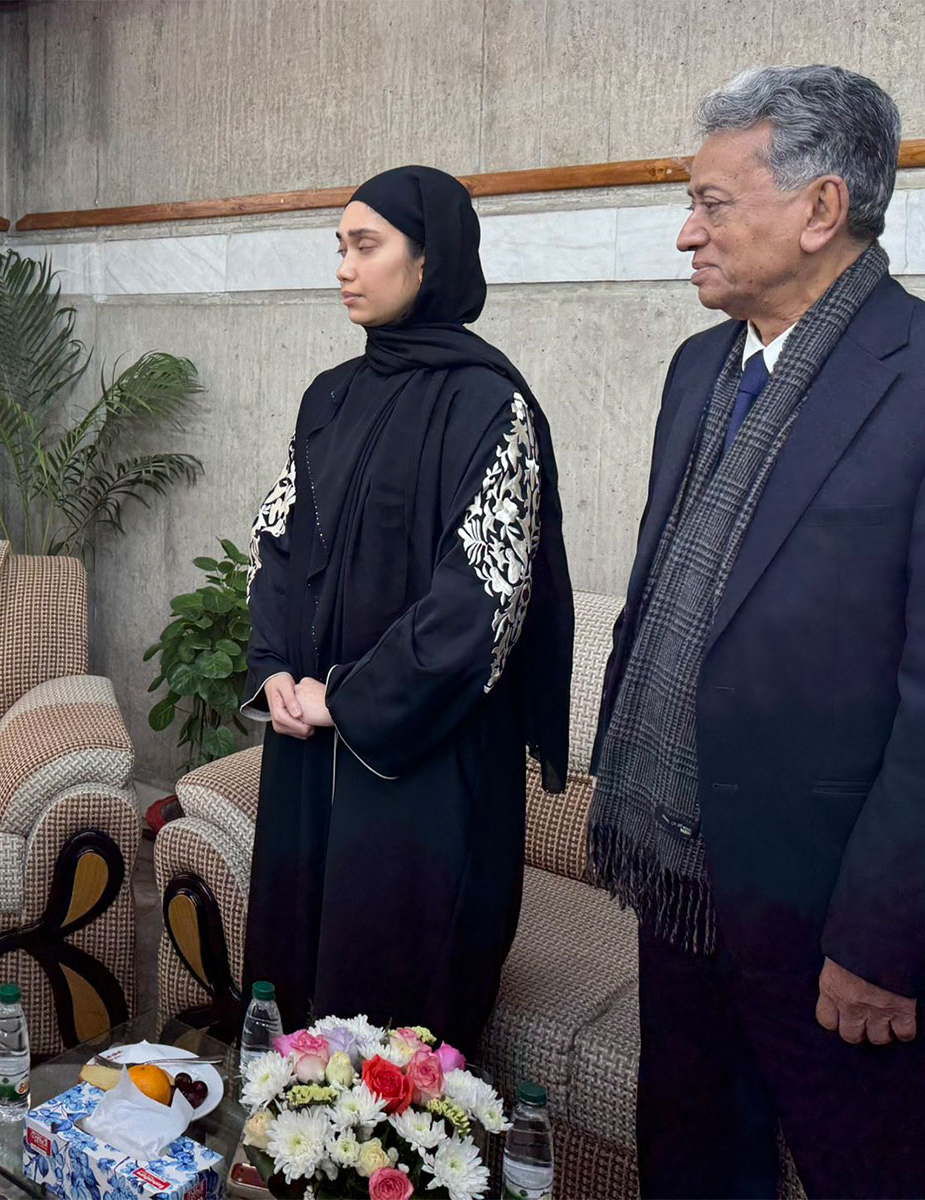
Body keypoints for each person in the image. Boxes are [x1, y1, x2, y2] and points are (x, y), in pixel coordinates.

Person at [589, 65, 923, 1198]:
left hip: (828, 921)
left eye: (713, 203)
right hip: (677, 877)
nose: (686, 233)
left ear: (821, 209)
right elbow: (661, 604)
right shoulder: (699, 369)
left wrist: (884, 938)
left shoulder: (915, 378)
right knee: (687, 1160)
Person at [239, 165, 574, 1054]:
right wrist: (275, 668)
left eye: (366, 245)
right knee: (296, 961)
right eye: (340, 248)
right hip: (308, 743)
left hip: (425, 758)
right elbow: (279, 542)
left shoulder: (490, 405)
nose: (344, 268)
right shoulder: (329, 397)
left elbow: (482, 605)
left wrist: (345, 699)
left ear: (430, 261)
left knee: (397, 994)